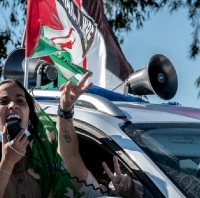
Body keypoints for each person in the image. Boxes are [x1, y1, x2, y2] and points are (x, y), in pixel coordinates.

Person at [0, 72, 141, 198]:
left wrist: (65, 108)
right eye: (3, 101)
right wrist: (8, 161)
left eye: (20, 100)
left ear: (29, 112)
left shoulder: (44, 152)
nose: (13, 105)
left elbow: (70, 156)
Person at [57, 72, 142, 198]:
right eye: (122, 169)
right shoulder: (96, 193)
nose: (124, 178)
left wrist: (132, 194)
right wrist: (65, 109)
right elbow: (69, 155)